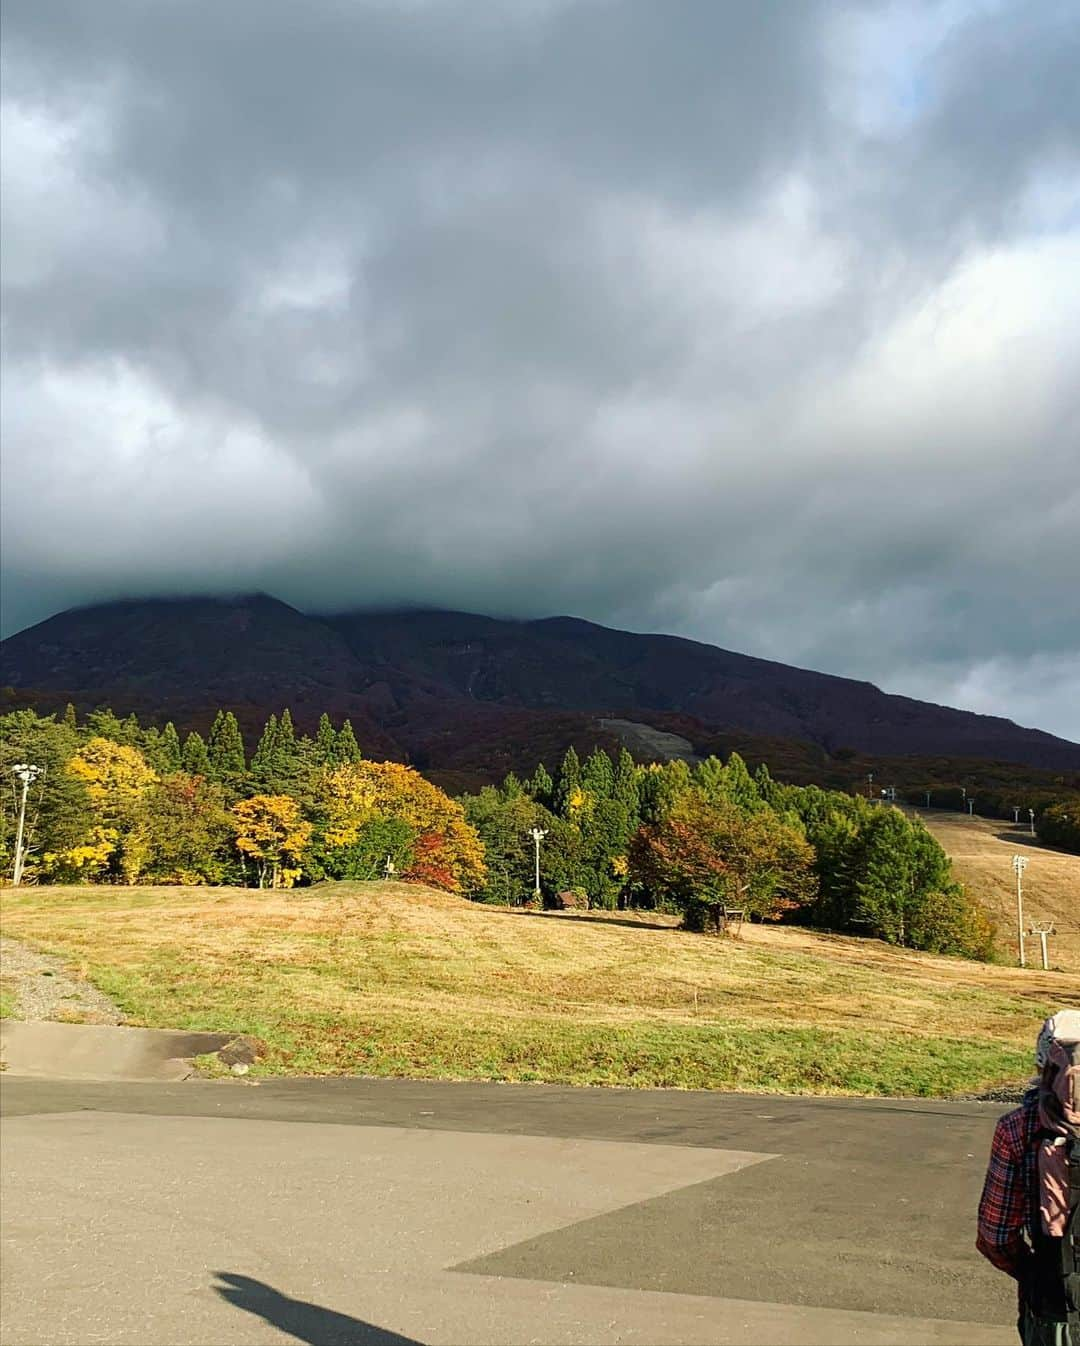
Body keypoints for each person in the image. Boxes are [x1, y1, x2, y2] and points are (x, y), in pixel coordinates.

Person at [977, 1009, 1080, 1345]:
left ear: (1042, 1064)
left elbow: (995, 1238)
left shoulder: (1017, 1128)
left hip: (1057, 1309)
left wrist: (1035, 1275)